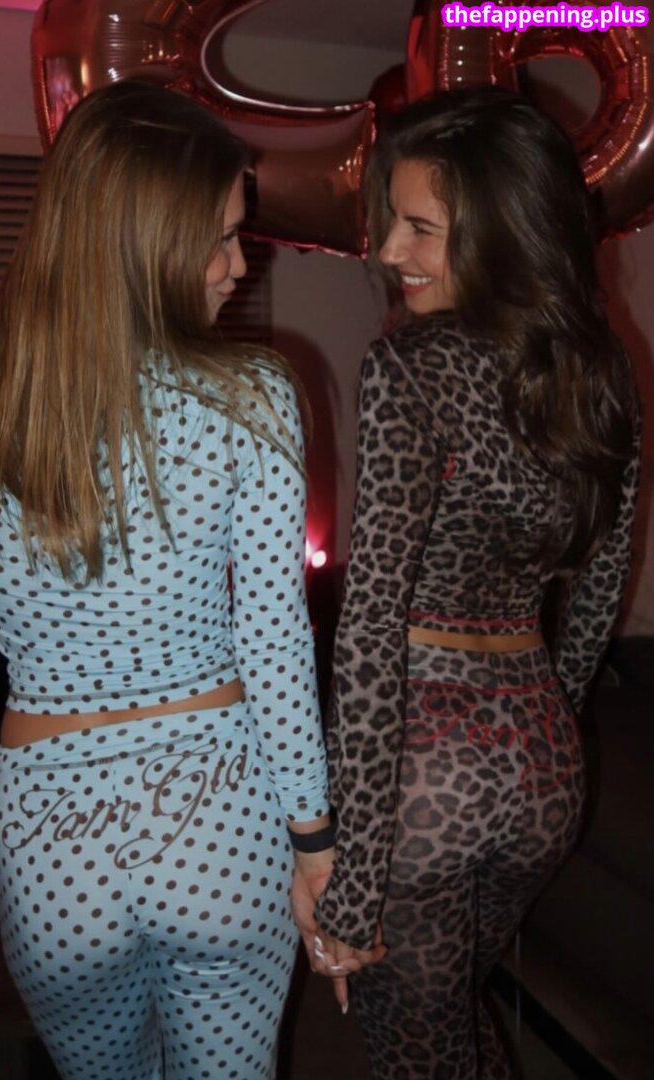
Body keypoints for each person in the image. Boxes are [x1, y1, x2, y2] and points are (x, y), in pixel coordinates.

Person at [0, 79, 335, 1080]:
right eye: (220, 238)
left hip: (55, 856)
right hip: (222, 833)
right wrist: (315, 839)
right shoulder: (254, 394)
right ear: (145, 244)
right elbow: (271, 637)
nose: (239, 263)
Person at [310, 87, 642, 1078]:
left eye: (420, 227)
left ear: (503, 228)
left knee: (421, 1050)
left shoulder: (407, 366)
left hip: (422, 776)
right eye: (391, 222)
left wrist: (353, 881)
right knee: (450, 1025)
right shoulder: (602, 369)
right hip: (544, 767)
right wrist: (548, 723)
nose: (390, 253)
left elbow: (372, 625)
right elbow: (601, 586)